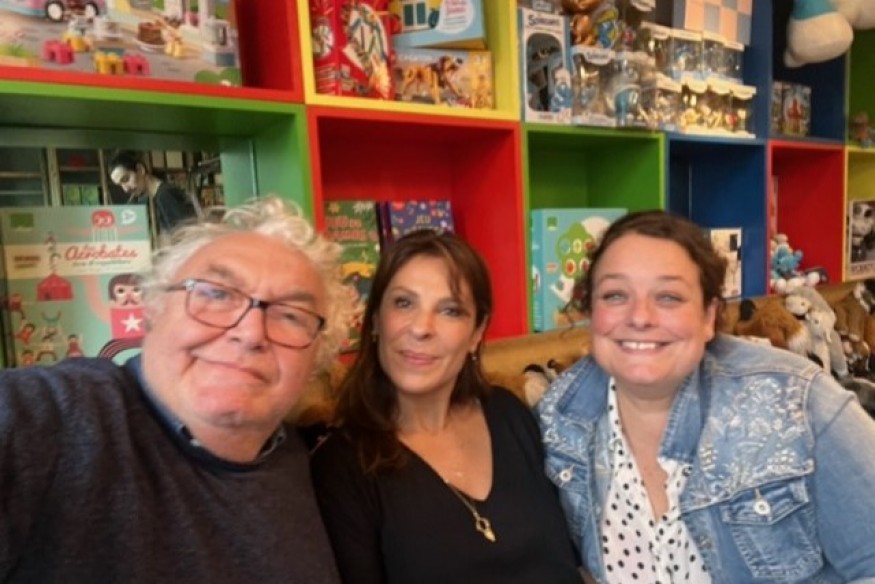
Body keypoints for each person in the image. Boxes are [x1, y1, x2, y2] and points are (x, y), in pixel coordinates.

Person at [0, 197, 349, 583]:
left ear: (318, 356)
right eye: (216, 294)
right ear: (152, 308)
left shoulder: (312, 462)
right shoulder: (54, 420)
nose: (250, 333)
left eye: (291, 315)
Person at [537, 210, 875, 583]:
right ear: (591, 312)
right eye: (615, 295)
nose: (640, 317)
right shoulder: (560, 419)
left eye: (669, 297)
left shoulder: (796, 401)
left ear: (708, 316)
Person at [310, 229, 582, 584]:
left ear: (476, 333)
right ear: (375, 319)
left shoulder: (508, 413)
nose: (421, 328)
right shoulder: (342, 466)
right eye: (404, 303)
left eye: (450, 310)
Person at [108, 150, 199, 235]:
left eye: (126, 179)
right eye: (120, 185)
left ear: (140, 169)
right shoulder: (158, 196)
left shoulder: (165, 195)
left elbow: (186, 235)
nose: (125, 189)